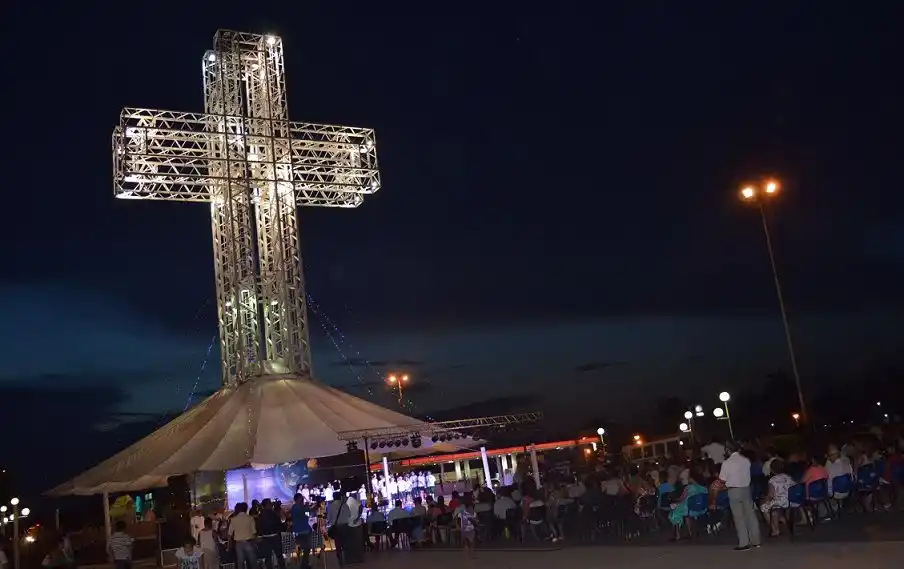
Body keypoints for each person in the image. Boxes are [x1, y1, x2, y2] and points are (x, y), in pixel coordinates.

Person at [718, 446, 761, 551]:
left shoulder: (727, 463)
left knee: (739, 518)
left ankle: (744, 543)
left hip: (734, 490)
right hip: (746, 489)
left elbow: (722, 480)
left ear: (728, 451)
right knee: (750, 515)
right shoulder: (746, 460)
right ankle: (756, 541)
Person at [758, 459, 794, 537]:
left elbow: (770, 495)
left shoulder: (772, 480)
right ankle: (782, 519)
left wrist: (766, 500)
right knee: (775, 509)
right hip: (791, 500)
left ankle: (775, 529)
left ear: (772, 469)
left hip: (780, 501)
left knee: (764, 508)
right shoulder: (788, 477)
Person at [256, 499, 286, 569]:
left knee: (268, 557)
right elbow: (281, 522)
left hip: (265, 537)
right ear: (267, 505)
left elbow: (258, 527)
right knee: (279, 556)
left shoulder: (260, 515)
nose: (271, 504)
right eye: (270, 503)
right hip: (275, 536)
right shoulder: (273, 513)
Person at [228, 503, 257, 569]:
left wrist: (228, 546)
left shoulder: (233, 519)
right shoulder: (250, 518)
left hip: (238, 544)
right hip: (249, 542)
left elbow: (229, 534)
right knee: (252, 562)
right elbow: (254, 532)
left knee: (240, 563)